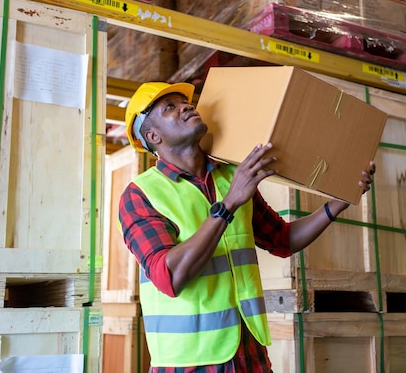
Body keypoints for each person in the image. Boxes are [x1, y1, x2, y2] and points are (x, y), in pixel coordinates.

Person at [118, 81, 376, 372]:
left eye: (185, 102)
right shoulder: (140, 195)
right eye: (170, 107)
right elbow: (169, 276)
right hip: (190, 363)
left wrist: (338, 202)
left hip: (249, 353)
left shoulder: (232, 176)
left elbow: (283, 240)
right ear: (153, 135)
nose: (186, 106)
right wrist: (228, 205)